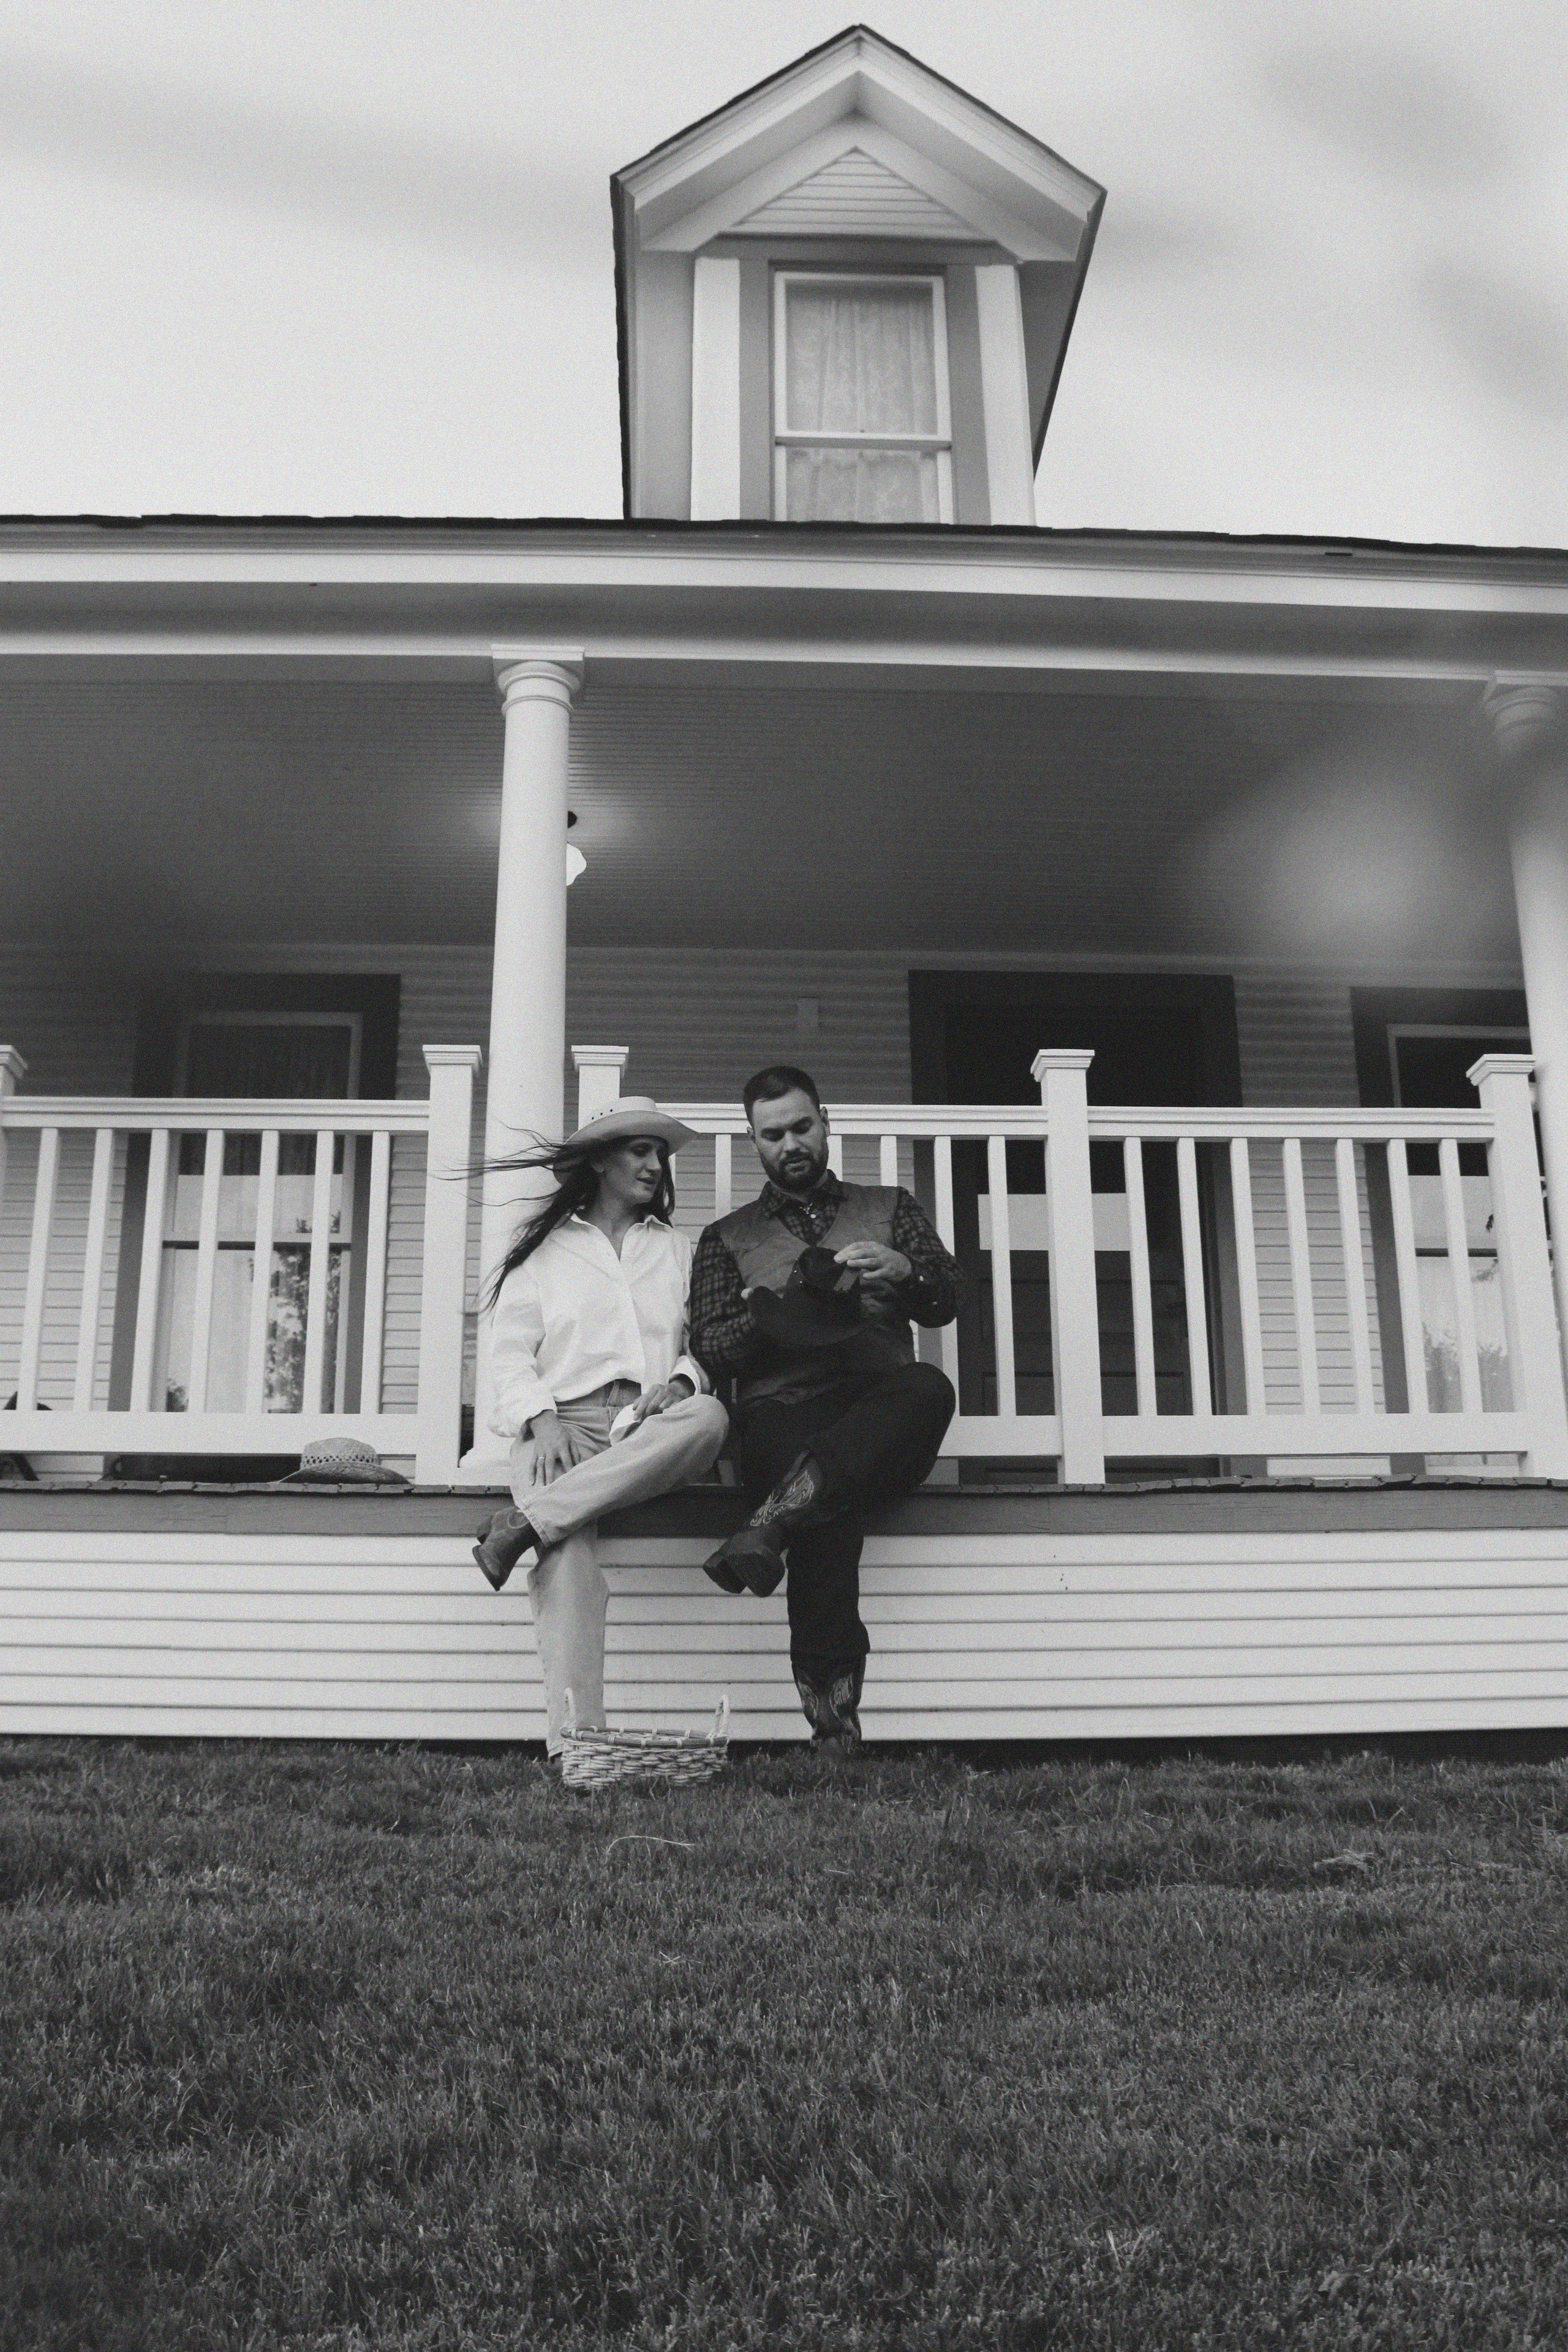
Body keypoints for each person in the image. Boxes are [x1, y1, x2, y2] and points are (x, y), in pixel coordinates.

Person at [688, 1065, 960, 1755]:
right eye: (772, 1135)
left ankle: (770, 1524)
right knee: (825, 1506)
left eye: (801, 1127)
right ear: (753, 1141)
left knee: (930, 1387)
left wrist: (905, 1271)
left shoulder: (890, 1207)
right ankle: (834, 1725)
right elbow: (710, 1348)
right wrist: (779, 1312)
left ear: (826, 1122)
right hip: (782, 1413)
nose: (790, 1145)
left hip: (878, 1408)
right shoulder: (725, 1237)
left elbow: (948, 1300)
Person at [472, 1097, 730, 1761]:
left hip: (646, 1428)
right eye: (640, 1151)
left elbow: (702, 1346)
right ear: (600, 1162)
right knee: (569, 1563)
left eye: (659, 1155)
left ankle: (524, 1524)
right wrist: (541, 1419)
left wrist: (680, 1384)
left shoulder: (676, 1249)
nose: (655, 1165)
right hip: (560, 1425)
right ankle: (579, 1746)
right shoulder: (544, 1252)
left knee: (710, 1417)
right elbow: (509, 1353)